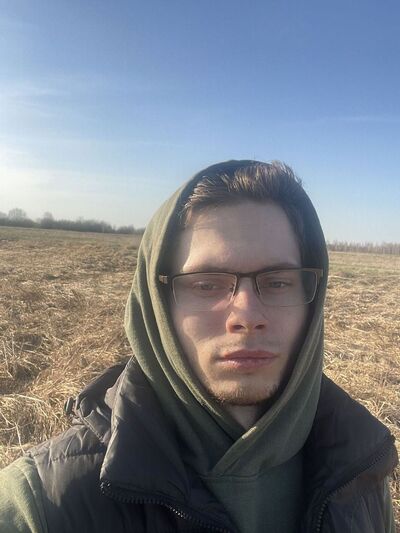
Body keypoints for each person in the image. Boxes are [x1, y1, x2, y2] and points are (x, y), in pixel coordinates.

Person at [0, 160, 397, 532]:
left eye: (278, 282)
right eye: (207, 284)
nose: (247, 316)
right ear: (158, 305)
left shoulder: (362, 469)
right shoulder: (43, 505)